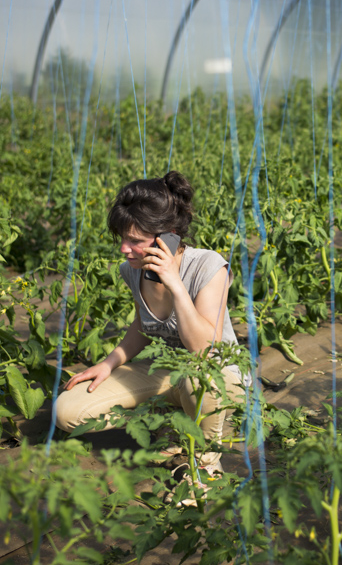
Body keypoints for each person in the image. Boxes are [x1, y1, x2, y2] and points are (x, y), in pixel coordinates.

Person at [55, 171, 243, 479]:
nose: (123, 249)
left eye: (134, 241)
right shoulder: (134, 270)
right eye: (122, 239)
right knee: (68, 411)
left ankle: (207, 467)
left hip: (213, 377)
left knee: (201, 381)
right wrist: (109, 363)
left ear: (167, 235)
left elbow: (205, 350)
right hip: (166, 372)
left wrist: (175, 285)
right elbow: (142, 323)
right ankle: (174, 420)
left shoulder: (209, 267)